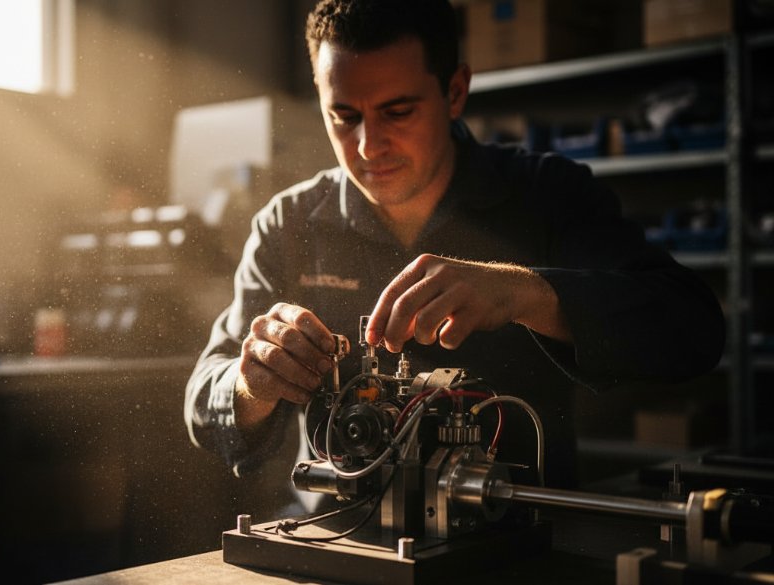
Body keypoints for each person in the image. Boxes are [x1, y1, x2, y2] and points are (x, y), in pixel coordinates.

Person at [184, 0, 725, 513]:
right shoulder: (288, 224)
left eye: (397, 111)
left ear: (456, 91)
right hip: (343, 535)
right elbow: (205, 402)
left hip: (515, 537)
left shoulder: (548, 197)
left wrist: (528, 293)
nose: (369, 146)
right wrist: (251, 382)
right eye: (344, 116)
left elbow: (694, 330)